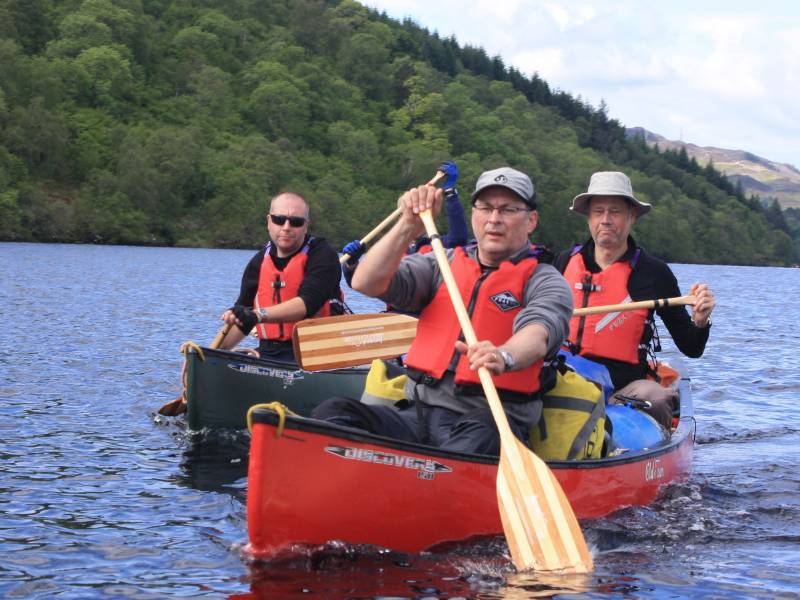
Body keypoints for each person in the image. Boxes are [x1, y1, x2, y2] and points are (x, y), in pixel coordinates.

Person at [312, 167, 573, 455]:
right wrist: (407, 227)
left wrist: (504, 355)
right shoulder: (440, 263)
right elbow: (365, 282)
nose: (494, 219)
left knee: (471, 444)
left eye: (508, 209)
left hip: (488, 423)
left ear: (531, 221)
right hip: (417, 415)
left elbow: (538, 333)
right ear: (473, 214)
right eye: (485, 208)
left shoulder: (546, 280)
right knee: (334, 411)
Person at [552, 171, 716, 429]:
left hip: (625, 390)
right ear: (588, 217)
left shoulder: (654, 273)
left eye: (615, 211)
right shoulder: (561, 264)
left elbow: (691, 348)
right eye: (598, 212)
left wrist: (700, 320)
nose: (605, 220)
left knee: (657, 400)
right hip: (565, 381)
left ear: (632, 216)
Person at [219, 192, 344, 363]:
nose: (286, 227)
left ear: (306, 226)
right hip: (269, 351)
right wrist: (209, 355)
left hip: (315, 353)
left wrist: (258, 315)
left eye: (296, 222)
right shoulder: (258, 262)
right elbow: (244, 319)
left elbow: (307, 304)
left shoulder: (323, 256)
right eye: (279, 219)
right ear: (269, 222)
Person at [340, 161, 468, 286]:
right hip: (396, 305)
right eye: (409, 211)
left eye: (419, 211)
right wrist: (351, 263)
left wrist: (450, 192)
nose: (414, 216)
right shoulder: (390, 249)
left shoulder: (439, 246)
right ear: (401, 216)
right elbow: (359, 283)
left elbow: (459, 237)